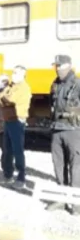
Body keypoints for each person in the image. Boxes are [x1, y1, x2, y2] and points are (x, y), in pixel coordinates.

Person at [49, 55, 80, 212]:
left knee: (76, 167)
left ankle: (75, 203)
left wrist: (73, 114)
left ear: (68, 65)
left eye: (60, 66)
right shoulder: (55, 84)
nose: (57, 68)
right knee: (58, 165)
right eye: (56, 65)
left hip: (74, 131)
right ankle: (61, 198)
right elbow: (51, 105)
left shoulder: (78, 84)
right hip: (57, 129)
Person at [0, 65, 32, 190]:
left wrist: (3, 98)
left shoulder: (24, 88)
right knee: (7, 149)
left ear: (23, 75)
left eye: (16, 73)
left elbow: (10, 100)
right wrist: (3, 98)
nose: (13, 75)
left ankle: (21, 177)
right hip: (8, 120)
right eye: (13, 72)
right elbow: (0, 100)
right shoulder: (11, 86)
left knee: (17, 150)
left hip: (17, 121)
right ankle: (8, 174)